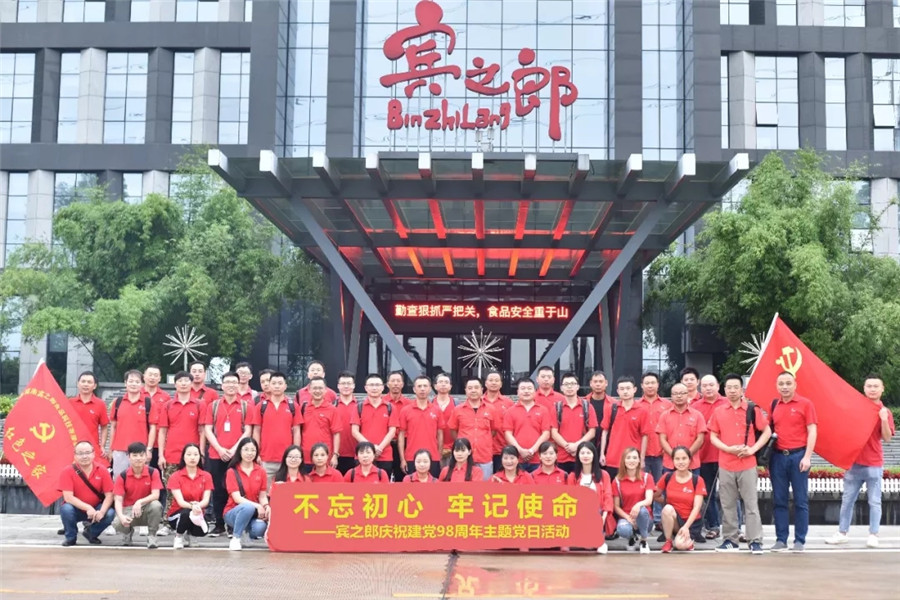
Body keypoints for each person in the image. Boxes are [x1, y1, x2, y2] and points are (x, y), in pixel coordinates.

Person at [826, 374, 896, 549]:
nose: (872, 389)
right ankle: (842, 532)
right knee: (847, 500)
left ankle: (873, 534)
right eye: (869, 386)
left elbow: (887, 437)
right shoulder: (856, 408)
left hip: (873, 462)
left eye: (876, 386)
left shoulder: (885, 412)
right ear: (864, 388)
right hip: (854, 462)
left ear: (882, 389)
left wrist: (883, 419)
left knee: (874, 501)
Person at [708, 373, 771, 555]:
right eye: (729, 387)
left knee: (751, 504)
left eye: (736, 387)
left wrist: (753, 449)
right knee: (727, 504)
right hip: (726, 463)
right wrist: (727, 449)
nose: (732, 391)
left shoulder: (751, 409)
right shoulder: (719, 411)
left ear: (742, 389)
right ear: (724, 390)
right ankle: (730, 539)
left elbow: (766, 431)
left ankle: (755, 540)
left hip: (747, 464)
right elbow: (713, 436)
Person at [768, 371, 817, 552]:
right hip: (778, 457)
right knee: (779, 500)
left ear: (795, 384)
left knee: (800, 500)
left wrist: (807, 457)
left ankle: (799, 540)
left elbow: (812, 430)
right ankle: (781, 539)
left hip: (798, 456)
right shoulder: (774, 405)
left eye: (788, 383)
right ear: (776, 386)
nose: (785, 387)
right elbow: (767, 430)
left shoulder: (805, 404)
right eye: (781, 383)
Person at [203, 371, 257, 537]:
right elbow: (207, 429)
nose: (231, 385)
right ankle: (219, 524)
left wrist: (235, 449)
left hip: (237, 455)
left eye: (234, 382)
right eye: (227, 382)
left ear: (239, 384)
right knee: (218, 490)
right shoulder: (214, 406)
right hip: (216, 454)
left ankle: (233, 525)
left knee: (235, 490)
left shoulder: (246, 406)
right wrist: (219, 449)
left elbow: (248, 430)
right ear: (222, 385)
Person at [156, 371, 203, 518]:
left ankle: (193, 519)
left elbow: (202, 430)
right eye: (180, 381)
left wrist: (201, 453)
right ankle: (169, 520)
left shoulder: (199, 404)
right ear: (175, 384)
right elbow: (162, 431)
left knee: (193, 490)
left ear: (191, 384)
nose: (183, 383)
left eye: (186, 381)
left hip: (193, 456)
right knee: (171, 490)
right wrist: (161, 455)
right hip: (171, 455)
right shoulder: (168, 405)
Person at [58, 440, 116, 546]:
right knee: (66, 509)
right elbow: (68, 497)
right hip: (76, 509)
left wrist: (102, 512)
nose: (84, 456)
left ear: (93, 454)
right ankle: (71, 537)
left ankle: (91, 533)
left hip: (96, 507)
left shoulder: (102, 470)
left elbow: (109, 495)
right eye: (80, 453)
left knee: (110, 513)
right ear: (75, 455)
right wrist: (88, 508)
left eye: (87, 453)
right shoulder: (67, 471)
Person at [692, 374, 727, 540]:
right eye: (705, 385)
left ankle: (736, 528)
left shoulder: (727, 403)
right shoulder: (695, 407)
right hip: (704, 456)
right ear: (700, 388)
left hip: (726, 456)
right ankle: (713, 526)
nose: (708, 388)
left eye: (711, 385)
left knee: (731, 494)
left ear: (718, 386)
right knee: (708, 493)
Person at [655, 445, 707, 553]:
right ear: (673, 461)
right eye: (677, 459)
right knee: (667, 509)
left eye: (684, 458)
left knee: (680, 545)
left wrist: (686, 527)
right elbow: (654, 495)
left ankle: (688, 540)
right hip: (675, 521)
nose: (681, 462)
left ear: (689, 460)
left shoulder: (697, 480)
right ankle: (668, 541)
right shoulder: (667, 477)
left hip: (691, 523)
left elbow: (697, 507)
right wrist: (665, 501)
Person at [252, 371, 301, 484]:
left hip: (288, 459)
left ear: (285, 386)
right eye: (274, 383)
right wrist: (256, 453)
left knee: (286, 491)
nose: (277, 386)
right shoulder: (261, 406)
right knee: (266, 491)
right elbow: (256, 431)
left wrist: (296, 453)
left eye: (280, 383)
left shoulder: (293, 406)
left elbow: (297, 431)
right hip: (266, 458)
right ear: (269, 386)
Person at [112, 441, 164, 548]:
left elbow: (156, 495)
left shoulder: (153, 472)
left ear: (146, 456)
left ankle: (152, 535)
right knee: (117, 523)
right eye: (135, 455)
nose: (138, 458)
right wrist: (121, 516)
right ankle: (127, 533)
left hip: (147, 508)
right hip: (129, 510)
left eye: (141, 455)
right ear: (129, 457)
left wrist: (140, 502)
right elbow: (118, 499)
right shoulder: (123, 476)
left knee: (156, 505)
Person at [567, 441, 614, 553]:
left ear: (594, 455)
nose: (585, 456)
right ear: (578, 456)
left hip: (599, 512)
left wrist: (604, 516)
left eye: (588, 453)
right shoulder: (573, 476)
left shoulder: (604, 475)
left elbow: (608, 496)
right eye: (582, 453)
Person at [449, 376, 500, 479]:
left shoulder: (491, 409)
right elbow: (453, 430)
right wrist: (462, 442)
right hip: (464, 458)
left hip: (484, 457)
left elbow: (494, 430)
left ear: (482, 390)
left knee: (484, 486)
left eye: (476, 387)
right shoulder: (457, 410)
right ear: (465, 390)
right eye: (470, 388)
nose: (473, 390)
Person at [223, 437, 269, 551]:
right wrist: (257, 505)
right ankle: (236, 538)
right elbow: (237, 498)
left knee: (260, 528)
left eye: (253, 450)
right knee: (247, 507)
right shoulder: (232, 471)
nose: (249, 453)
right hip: (233, 511)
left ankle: (246, 533)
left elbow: (262, 496)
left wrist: (266, 506)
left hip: (253, 514)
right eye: (246, 449)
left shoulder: (261, 471)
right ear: (240, 451)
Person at [599, 376, 649, 478]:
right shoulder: (611, 408)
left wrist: (642, 458)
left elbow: (645, 436)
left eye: (628, 388)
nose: (625, 391)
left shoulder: (642, 411)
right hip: (612, 458)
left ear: (634, 389)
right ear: (617, 391)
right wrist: (602, 454)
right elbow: (605, 432)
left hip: (632, 459)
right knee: (613, 486)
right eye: (622, 389)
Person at [637, 371, 669, 529]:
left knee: (659, 487)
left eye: (653, 383)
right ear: (641, 385)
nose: (650, 386)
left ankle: (658, 519)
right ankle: (644, 518)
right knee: (640, 487)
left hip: (660, 453)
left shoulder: (667, 405)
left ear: (658, 385)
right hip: (640, 455)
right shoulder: (636, 405)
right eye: (647, 383)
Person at [166, 443, 213, 550]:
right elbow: (180, 501)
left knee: (203, 530)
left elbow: (206, 500)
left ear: (200, 457)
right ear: (183, 457)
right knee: (187, 513)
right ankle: (179, 536)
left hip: (198, 512)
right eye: (189, 454)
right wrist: (192, 506)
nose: (192, 457)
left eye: (196, 454)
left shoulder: (206, 476)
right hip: (178, 513)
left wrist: (198, 506)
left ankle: (191, 535)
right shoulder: (176, 476)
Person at [397, 375, 444, 479]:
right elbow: (401, 436)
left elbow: (440, 434)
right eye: (419, 386)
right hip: (411, 457)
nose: (422, 389)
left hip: (433, 457)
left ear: (430, 389)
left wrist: (439, 456)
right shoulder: (405, 410)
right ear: (414, 389)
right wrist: (402, 459)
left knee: (432, 486)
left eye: (425, 386)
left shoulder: (437, 410)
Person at [551, 372, 598, 474]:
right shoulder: (556, 408)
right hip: (561, 456)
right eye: (566, 384)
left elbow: (592, 432)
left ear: (577, 387)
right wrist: (567, 447)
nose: (569, 387)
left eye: (572, 384)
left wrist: (577, 446)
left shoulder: (587, 406)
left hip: (582, 455)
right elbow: (553, 432)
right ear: (561, 388)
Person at [109, 370, 153, 478]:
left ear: (142, 384)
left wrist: (149, 449)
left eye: (137, 382)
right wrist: (110, 449)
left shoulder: (148, 403)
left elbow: (153, 428)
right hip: (119, 450)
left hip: (140, 451)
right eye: (131, 381)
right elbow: (113, 427)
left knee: (141, 481)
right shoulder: (118, 402)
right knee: (118, 480)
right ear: (125, 383)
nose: (134, 384)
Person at [504, 377, 552, 473]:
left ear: (535, 391)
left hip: (538, 458)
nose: (526, 391)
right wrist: (520, 450)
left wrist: (532, 450)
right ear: (518, 392)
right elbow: (507, 433)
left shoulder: (543, 410)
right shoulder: (510, 411)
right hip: (516, 459)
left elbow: (546, 433)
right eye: (523, 388)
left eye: (529, 388)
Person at [353, 374, 398, 474]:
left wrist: (380, 448)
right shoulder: (358, 407)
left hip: (384, 455)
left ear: (383, 387)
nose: (374, 388)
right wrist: (370, 448)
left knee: (384, 482)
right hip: (363, 455)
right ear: (366, 388)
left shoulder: (390, 407)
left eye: (377, 385)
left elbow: (392, 431)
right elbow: (354, 431)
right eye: (371, 385)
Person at [613, 447, 654, 554]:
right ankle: (632, 537)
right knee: (623, 530)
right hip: (627, 516)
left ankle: (644, 540)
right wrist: (628, 518)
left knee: (642, 511)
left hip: (645, 518)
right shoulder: (617, 481)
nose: (632, 460)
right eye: (628, 458)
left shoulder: (647, 477)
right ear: (623, 460)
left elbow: (649, 500)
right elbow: (616, 506)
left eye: (635, 458)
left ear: (639, 460)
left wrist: (638, 505)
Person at [300, 377, 343, 473]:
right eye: (314, 388)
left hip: (325, 457)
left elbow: (336, 434)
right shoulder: (303, 408)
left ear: (325, 390)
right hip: (306, 457)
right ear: (309, 390)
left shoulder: (332, 409)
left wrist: (335, 455)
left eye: (320, 388)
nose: (317, 391)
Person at [483, 370, 514, 474]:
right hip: (483, 450)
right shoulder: (479, 401)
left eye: (496, 380)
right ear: (486, 383)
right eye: (491, 380)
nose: (493, 383)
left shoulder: (508, 403)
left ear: (501, 384)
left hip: (503, 449)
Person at [334, 371, 361, 474]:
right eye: (343, 383)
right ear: (338, 386)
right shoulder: (332, 406)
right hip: (336, 455)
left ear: (354, 386)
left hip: (357, 455)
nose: (346, 386)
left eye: (349, 383)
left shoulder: (360, 406)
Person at [433, 373, 457, 466]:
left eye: (446, 382)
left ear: (450, 386)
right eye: (440, 382)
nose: (443, 384)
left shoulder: (457, 404)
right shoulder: (429, 404)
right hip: (433, 449)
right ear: (435, 386)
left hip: (453, 449)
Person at [586, 371, 617, 437]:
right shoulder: (584, 402)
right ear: (590, 383)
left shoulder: (614, 404)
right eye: (595, 381)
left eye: (601, 381)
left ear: (606, 383)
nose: (598, 384)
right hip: (587, 438)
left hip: (607, 438)